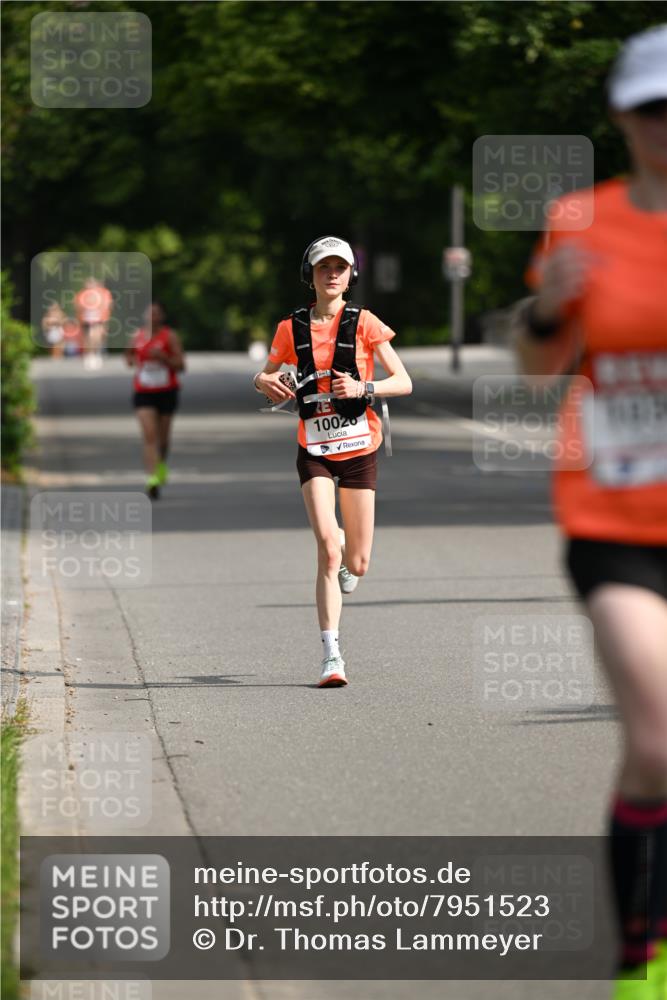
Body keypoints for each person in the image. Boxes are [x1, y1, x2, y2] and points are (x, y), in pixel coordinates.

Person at [516, 25, 667, 999]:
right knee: (656, 742)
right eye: (653, 108)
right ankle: (641, 962)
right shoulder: (580, 220)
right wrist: (544, 310)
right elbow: (537, 367)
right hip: (615, 522)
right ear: (620, 115)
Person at [254, 236, 412, 687]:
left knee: (357, 563)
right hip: (315, 449)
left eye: (340, 268)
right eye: (324, 267)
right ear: (311, 274)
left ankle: (346, 550)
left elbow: (403, 381)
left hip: (359, 447)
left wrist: (365, 388)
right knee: (326, 547)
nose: (332, 275)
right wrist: (263, 381)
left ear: (350, 275)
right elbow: (265, 374)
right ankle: (332, 656)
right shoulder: (291, 327)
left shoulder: (365, 323)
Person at [125, 302, 185, 499]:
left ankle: (161, 465)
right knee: (150, 436)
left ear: (162, 317)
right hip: (144, 392)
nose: (153, 317)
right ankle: (151, 478)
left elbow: (181, 365)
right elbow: (128, 357)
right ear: (144, 316)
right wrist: (132, 360)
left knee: (163, 440)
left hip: (167, 392)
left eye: (156, 314)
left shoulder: (170, 336)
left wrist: (164, 358)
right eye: (150, 314)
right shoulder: (137, 336)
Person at [75, 277, 113, 370]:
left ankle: (96, 353)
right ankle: (89, 355)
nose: (90, 285)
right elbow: (78, 306)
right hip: (86, 320)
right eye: (88, 283)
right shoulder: (82, 294)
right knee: (88, 338)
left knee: (96, 336)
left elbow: (108, 305)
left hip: (99, 319)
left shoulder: (102, 293)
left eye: (92, 283)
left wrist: (105, 318)